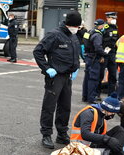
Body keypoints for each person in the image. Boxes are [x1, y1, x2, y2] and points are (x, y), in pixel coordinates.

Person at [33, 11, 81, 149]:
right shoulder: (54, 35)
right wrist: (47, 68)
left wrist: (76, 67)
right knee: (49, 106)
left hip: (68, 77)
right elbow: (38, 51)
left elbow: (75, 54)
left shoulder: (73, 36)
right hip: (55, 77)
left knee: (65, 107)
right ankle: (46, 135)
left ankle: (62, 133)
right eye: (75, 26)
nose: (76, 28)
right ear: (68, 24)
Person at [82, 19, 107, 104]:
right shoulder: (98, 35)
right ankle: (91, 98)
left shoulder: (89, 32)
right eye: (102, 25)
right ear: (100, 26)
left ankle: (85, 96)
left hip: (88, 57)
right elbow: (98, 48)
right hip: (94, 58)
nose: (103, 27)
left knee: (87, 78)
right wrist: (104, 54)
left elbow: (84, 43)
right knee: (93, 79)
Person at [98, 12, 119, 98]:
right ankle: (97, 94)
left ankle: (111, 95)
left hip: (112, 53)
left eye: (115, 18)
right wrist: (101, 54)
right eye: (112, 18)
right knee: (100, 75)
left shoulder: (115, 28)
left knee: (113, 75)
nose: (114, 20)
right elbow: (100, 41)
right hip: (104, 53)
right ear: (107, 18)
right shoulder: (104, 28)